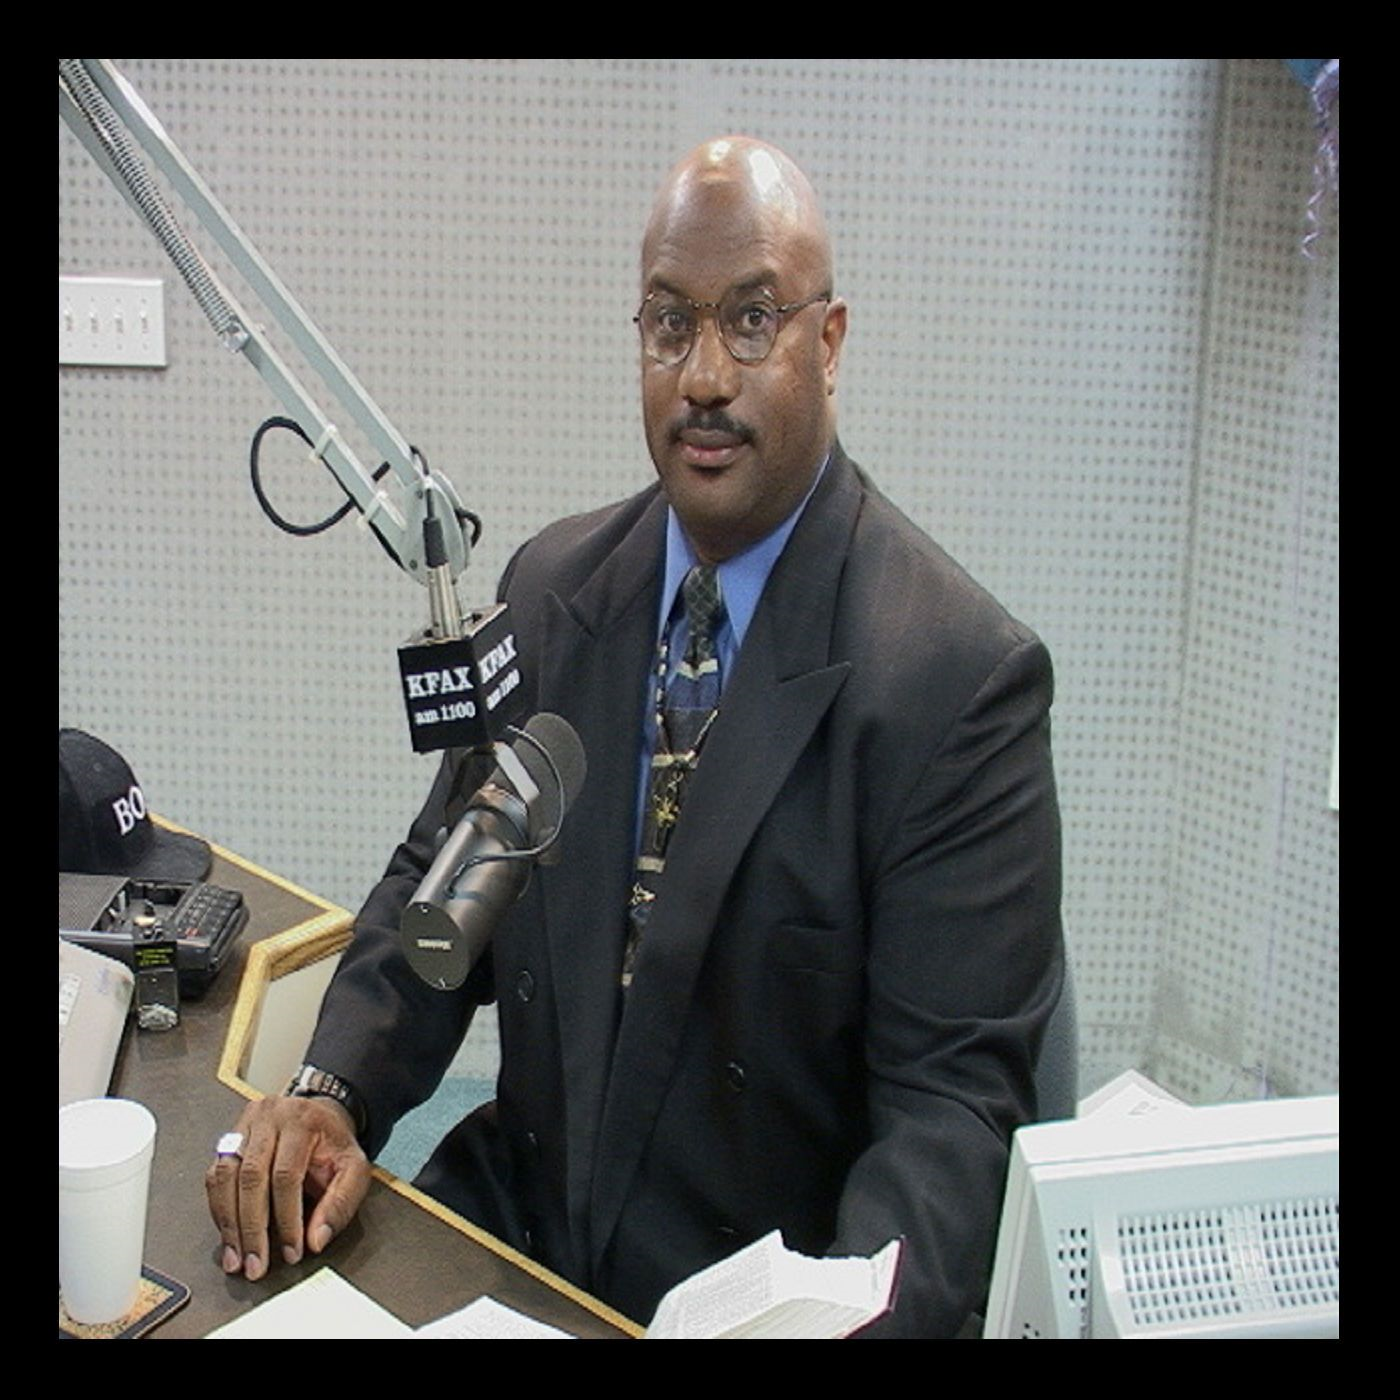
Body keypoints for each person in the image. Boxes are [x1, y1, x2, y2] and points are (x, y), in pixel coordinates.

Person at [206, 136, 1063, 1338]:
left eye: (751, 320)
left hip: (750, 1287)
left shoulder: (954, 681)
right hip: (518, 1232)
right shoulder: (555, 591)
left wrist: (826, 1324)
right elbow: (446, 900)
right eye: (669, 323)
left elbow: (950, 1115)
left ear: (827, 343)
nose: (703, 375)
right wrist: (332, 1088)